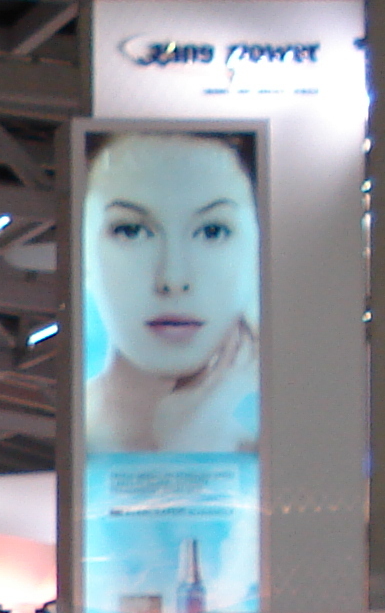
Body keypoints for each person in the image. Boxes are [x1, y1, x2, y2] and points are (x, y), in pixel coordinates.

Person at [82, 128, 262, 455]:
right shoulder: (78, 439)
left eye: (212, 231)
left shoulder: (288, 439)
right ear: (83, 254)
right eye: (131, 231)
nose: (173, 278)